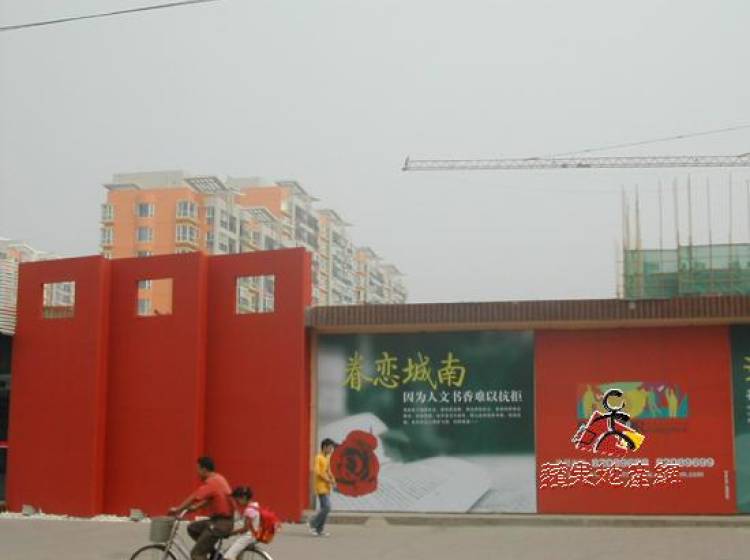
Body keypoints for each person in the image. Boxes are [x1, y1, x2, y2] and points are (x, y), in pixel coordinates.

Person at [169, 456, 234, 560]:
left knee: (196, 554)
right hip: (220, 521)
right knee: (192, 528)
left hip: (220, 524)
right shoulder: (219, 478)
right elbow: (211, 498)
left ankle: (202, 555)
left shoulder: (212, 482)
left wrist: (178, 509)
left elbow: (194, 497)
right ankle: (216, 555)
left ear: (204, 469)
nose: (197, 473)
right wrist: (196, 507)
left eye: (198, 469)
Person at [308, 438, 336, 537]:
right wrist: (328, 480)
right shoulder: (318, 457)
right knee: (327, 507)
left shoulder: (327, 457)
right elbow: (318, 472)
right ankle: (312, 522)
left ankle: (319, 530)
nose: (331, 450)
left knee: (325, 509)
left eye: (332, 448)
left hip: (327, 487)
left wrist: (332, 478)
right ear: (324, 447)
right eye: (330, 448)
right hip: (320, 487)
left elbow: (328, 470)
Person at [224, 486, 261, 560]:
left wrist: (230, 533)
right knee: (237, 554)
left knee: (227, 557)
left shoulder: (249, 510)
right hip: (254, 535)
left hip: (248, 537)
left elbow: (245, 529)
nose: (236, 501)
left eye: (237, 499)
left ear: (244, 498)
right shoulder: (255, 505)